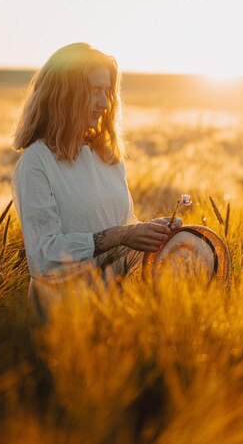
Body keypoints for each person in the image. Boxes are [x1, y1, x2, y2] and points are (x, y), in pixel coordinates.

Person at [11, 43, 182, 313]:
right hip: (62, 318)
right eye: (93, 91)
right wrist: (121, 235)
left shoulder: (106, 156)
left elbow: (123, 230)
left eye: (106, 92)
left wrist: (153, 233)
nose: (104, 103)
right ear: (64, 95)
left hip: (114, 310)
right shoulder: (36, 162)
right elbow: (43, 257)